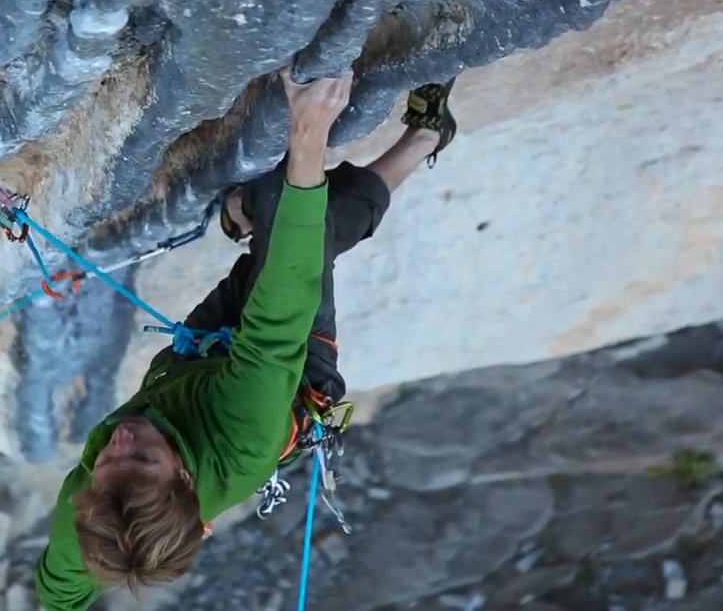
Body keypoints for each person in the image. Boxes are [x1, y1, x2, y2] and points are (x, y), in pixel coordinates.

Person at [34, 68, 458, 611]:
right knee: (291, 225)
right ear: (185, 477)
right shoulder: (244, 436)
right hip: (290, 370)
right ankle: (421, 139)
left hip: (195, 362)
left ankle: (253, 215)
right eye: (142, 461)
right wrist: (309, 131)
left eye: (109, 464)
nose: (121, 444)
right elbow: (280, 310)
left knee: (280, 223)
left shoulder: (88, 513)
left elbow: (57, 597)